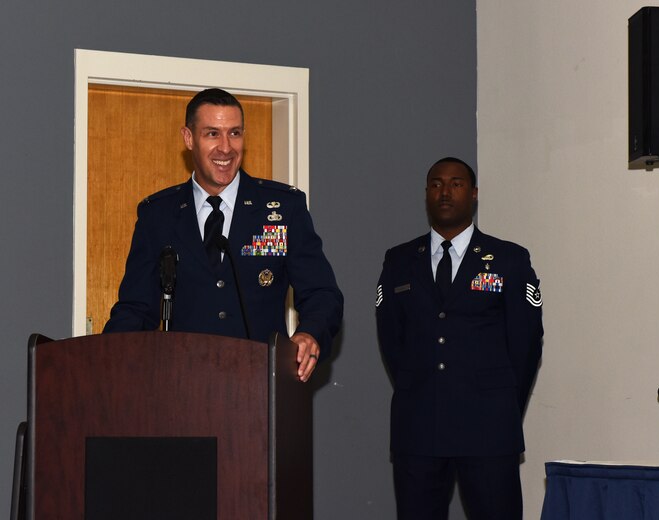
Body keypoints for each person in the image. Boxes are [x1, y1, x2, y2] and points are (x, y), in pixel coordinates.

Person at [104, 88, 343, 382]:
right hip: (181, 389)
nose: (226, 148)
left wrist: (310, 333)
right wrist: (104, 360)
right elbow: (136, 308)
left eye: (235, 133)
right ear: (189, 138)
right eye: (212, 134)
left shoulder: (283, 208)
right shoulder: (159, 215)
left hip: (260, 388)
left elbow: (322, 293)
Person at [375, 157, 543, 519]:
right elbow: (392, 339)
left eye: (456, 183)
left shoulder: (508, 260)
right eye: (436, 184)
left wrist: (501, 404)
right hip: (418, 427)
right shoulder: (399, 260)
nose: (445, 191)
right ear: (426, 195)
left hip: (488, 428)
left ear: (474, 194)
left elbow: (526, 344)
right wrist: (417, 386)